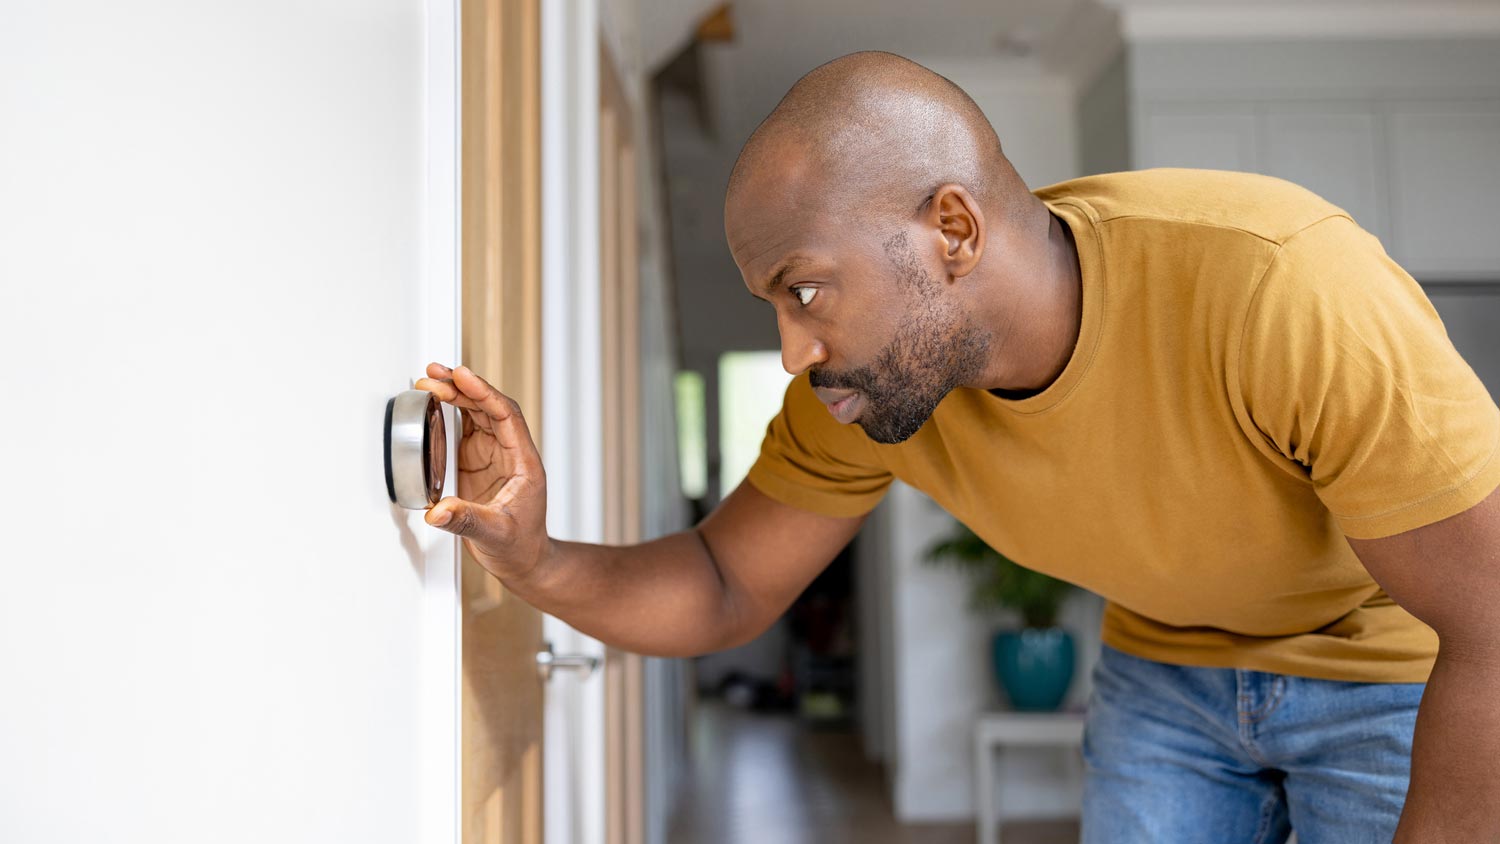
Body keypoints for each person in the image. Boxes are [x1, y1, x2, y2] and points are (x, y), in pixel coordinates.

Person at [414, 51, 1500, 843]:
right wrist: (534, 554)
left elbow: (1492, 624)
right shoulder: (861, 391)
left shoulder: (1279, 284)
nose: (795, 351)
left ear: (954, 231)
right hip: (1167, 671)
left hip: (1394, 668)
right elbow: (721, 584)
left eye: (804, 288)